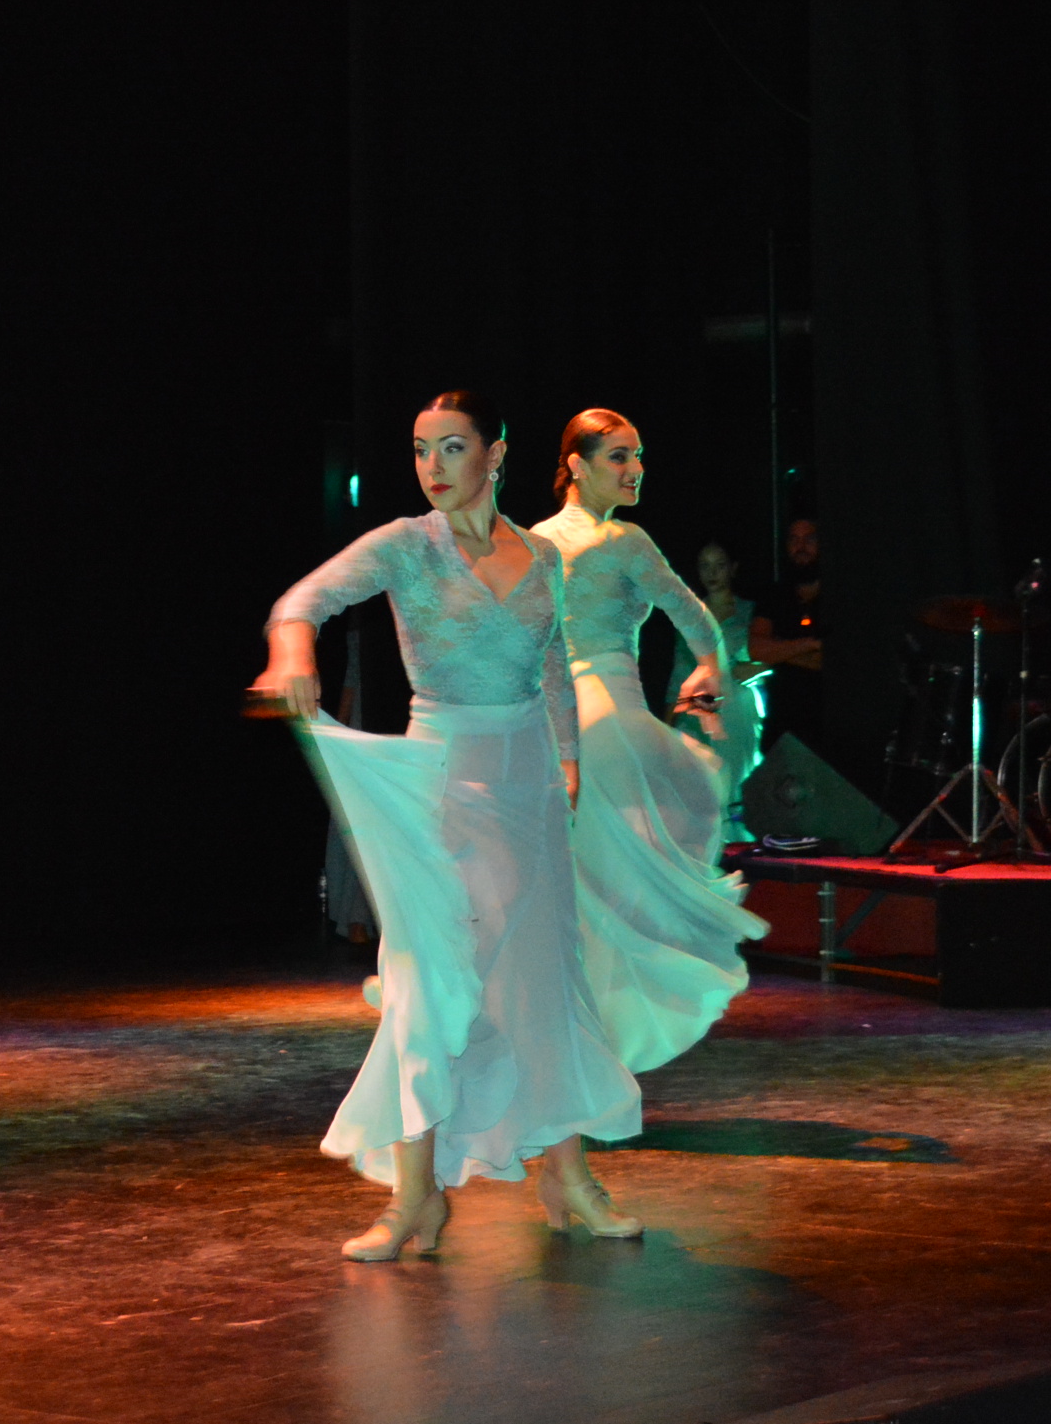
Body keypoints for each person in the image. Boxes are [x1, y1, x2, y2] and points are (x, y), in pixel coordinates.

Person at [253, 391, 646, 1260]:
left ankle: (568, 1175)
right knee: (430, 988)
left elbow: (550, 662)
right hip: (443, 786)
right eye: (422, 448)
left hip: (531, 788)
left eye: (453, 447)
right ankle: (414, 1200)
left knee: (545, 983)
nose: (433, 465)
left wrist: (569, 757)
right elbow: (303, 600)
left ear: (496, 454)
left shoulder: (541, 555)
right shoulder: (406, 546)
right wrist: (293, 652)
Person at [532, 414, 767, 1072]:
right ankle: (592, 1050)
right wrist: (711, 669)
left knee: (579, 888)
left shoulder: (529, 542)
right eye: (617, 456)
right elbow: (698, 619)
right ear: (576, 464)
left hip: (552, 722)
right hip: (604, 718)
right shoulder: (623, 540)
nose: (634, 469)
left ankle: (565, 1052)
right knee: (617, 887)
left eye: (638, 455)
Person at [673, 541, 770, 841]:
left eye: (719, 565)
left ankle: (741, 835)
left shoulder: (750, 612)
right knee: (703, 773)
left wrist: (755, 668)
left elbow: (768, 657)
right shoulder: (690, 616)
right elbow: (680, 672)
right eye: (705, 566)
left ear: (732, 568)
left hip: (739, 703)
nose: (712, 573)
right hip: (700, 705)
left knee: (736, 772)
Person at [752, 515, 824, 751]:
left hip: (828, 727)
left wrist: (780, 648)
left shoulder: (839, 596)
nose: (800, 547)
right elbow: (757, 649)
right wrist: (809, 644)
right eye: (794, 540)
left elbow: (829, 661)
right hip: (781, 730)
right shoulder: (773, 595)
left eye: (809, 539)